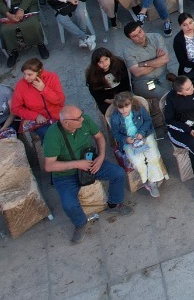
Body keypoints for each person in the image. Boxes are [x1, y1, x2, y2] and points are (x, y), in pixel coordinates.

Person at [43, 104, 132, 243]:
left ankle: (114, 204)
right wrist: (77, 164)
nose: (82, 119)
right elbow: (49, 166)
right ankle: (80, 223)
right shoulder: (52, 135)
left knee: (118, 173)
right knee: (69, 204)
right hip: (65, 175)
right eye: (78, 118)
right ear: (66, 123)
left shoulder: (85, 120)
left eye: (81, 115)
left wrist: (101, 157)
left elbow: (99, 137)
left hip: (90, 163)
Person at [107, 93, 167, 198]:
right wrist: (125, 139)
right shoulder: (114, 118)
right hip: (129, 141)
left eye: (126, 106)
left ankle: (152, 182)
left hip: (145, 135)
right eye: (120, 108)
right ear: (117, 107)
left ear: (131, 103)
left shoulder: (139, 109)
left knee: (153, 156)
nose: (124, 110)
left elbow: (148, 120)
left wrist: (141, 132)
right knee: (137, 161)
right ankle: (147, 180)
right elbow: (116, 134)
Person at [10, 58, 65, 138]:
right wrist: (35, 116)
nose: (26, 78)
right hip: (39, 122)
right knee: (50, 136)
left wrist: (44, 89)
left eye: (30, 74)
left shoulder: (52, 77)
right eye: (24, 74)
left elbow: (60, 100)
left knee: (69, 130)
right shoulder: (20, 85)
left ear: (39, 71)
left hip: (58, 115)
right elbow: (15, 108)